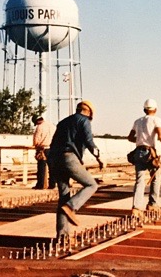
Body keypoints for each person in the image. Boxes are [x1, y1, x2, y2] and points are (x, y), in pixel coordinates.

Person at [48, 100, 104, 239]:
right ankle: (72, 206)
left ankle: (62, 236)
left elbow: (53, 143)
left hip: (55, 158)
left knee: (63, 197)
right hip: (68, 157)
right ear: (89, 112)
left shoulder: (63, 122)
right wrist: (99, 158)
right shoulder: (84, 121)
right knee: (91, 184)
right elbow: (89, 141)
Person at [127, 99, 161, 217]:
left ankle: (136, 208)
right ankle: (152, 204)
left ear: (144, 109)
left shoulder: (137, 121)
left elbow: (130, 137)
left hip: (138, 152)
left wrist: (140, 140)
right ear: (155, 109)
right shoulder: (157, 120)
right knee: (156, 177)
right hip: (150, 153)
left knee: (140, 180)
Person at [32, 116, 56, 189]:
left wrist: (36, 146)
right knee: (52, 167)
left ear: (37, 121)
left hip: (42, 148)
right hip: (52, 148)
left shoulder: (39, 127)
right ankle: (52, 184)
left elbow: (36, 140)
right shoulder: (52, 126)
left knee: (41, 168)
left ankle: (40, 184)